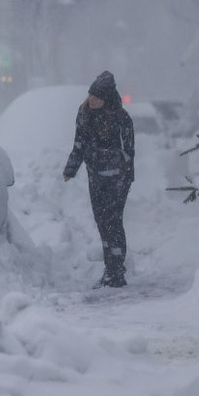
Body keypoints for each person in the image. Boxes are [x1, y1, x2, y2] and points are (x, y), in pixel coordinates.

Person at [62, 71, 135, 288]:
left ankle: (116, 271)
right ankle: (110, 268)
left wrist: (125, 174)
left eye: (97, 97)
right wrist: (70, 168)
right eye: (90, 95)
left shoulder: (122, 118)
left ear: (106, 99)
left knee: (114, 221)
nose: (91, 100)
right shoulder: (84, 114)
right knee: (102, 221)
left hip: (117, 178)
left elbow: (129, 151)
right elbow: (79, 144)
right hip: (96, 175)